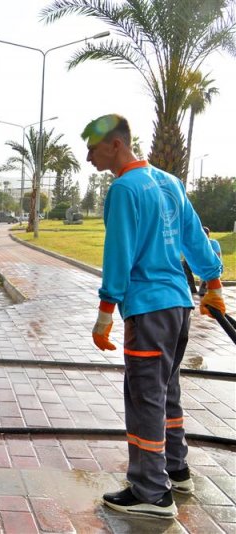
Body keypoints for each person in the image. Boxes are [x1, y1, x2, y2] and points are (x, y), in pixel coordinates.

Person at [83, 114, 226, 519]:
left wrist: (105, 311)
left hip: (146, 311)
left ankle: (151, 492)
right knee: (168, 391)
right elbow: (196, 238)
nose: (88, 156)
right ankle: (176, 469)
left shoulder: (124, 188)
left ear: (115, 145)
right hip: (178, 309)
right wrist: (213, 284)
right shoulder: (170, 182)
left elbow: (119, 254)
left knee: (144, 397)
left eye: (93, 148)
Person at [197, 227, 222, 297]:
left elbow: (217, 257)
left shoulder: (214, 243)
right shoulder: (200, 244)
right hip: (205, 268)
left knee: (212, 293)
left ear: (208, 235)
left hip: (215, 267)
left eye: (205, 235)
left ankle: (208, 290)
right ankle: (203, 290)